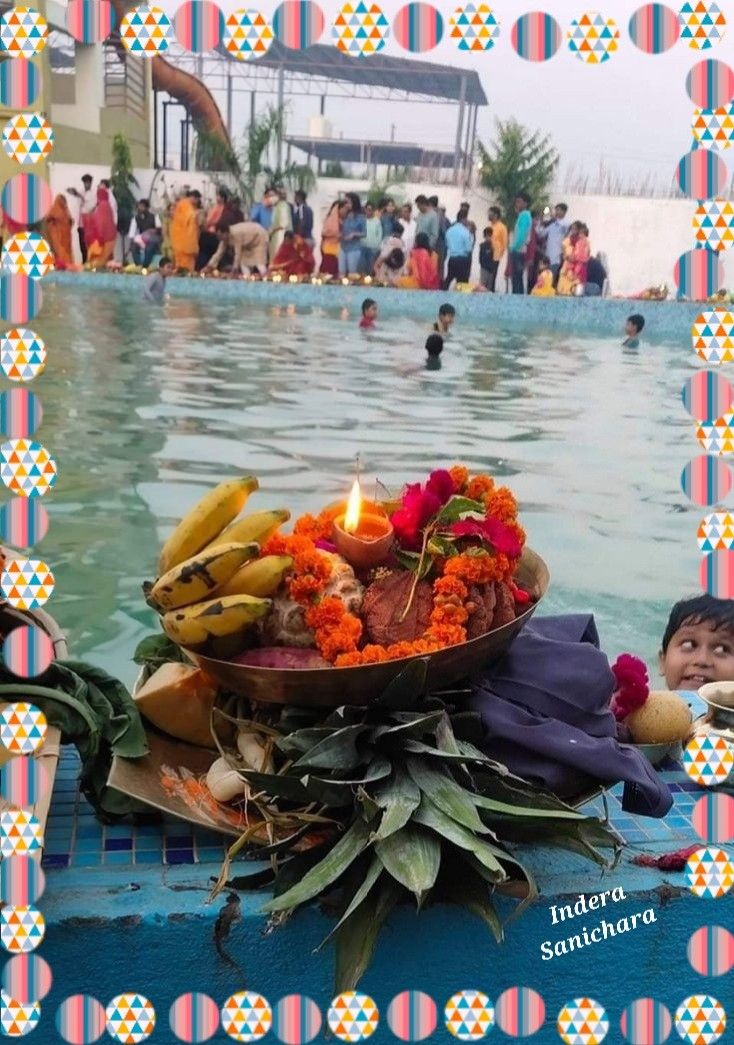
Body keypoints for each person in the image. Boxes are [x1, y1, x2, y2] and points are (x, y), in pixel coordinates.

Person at [659, 594, 734, 691]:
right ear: (663, 661)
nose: (702, 660)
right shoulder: (640, 705)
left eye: (722, 649)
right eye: (688, 644)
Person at [85, 185, 117, 269]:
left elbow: (101, 222)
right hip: (111, 236)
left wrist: (90, 217)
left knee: (100, 259)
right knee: (108, 257)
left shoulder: (102, 205)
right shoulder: (107, 205)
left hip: (104, 237)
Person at [557, 222, 590, 297]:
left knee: (574, 292)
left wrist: (575, 258)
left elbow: (584, 256)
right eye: (572, 229)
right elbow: (563, 248)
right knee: (562, 292)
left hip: (576, 270)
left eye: (575, 229)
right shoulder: (568, 240)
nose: (573, 231)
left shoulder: (582, 242)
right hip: (566, 268)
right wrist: (566, 255)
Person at [67, 173, 94, 263]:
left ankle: (89, 262)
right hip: (81, 223)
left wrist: (79, 195)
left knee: (88, 244)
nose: (86, 184)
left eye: (88, 183)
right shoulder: (81, 192)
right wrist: (74, 193)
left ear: (91, 183)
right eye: (85, 183)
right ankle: (84, 262)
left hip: (88, 223)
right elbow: (79, 200)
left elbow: (90, 206)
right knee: (82, 245)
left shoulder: (93, 194)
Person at [443, 211, 474, 290]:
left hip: (452, 259)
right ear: (463, 219)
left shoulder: (449, 231)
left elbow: (446, 244)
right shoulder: (465, 231)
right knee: (463, 283)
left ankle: (442, 294)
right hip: (463, 260)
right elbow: (469, 248)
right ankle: (462, 300)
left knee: (449, 278)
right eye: (466, 219)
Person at [170, 191, 200, 272]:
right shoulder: (186, 205)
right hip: (185, 241)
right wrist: (196, 214)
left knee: (180, 264)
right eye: (197, 200)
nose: (197, 203)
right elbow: (189, 217)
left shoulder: (182, 204)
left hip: (179, 239)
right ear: (193, 197)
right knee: (186, 266)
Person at [509, 192, 532, 295]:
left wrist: (513, 247)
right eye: (516, 201)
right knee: (516, 278)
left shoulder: (525, 216)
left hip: (518, 251)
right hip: (518, 250)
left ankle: (517, 301)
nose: (517, 204)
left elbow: (521, 236)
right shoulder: (522, 215)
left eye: (519, 202)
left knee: (517, 279)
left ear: (525, 204)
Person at [128, 198, 162, 268]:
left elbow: (159, 230)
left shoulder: (154, 217)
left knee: (150, 247)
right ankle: (139, 266)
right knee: (134, 246)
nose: (141, 208)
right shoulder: (136, 218)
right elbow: (131, 234)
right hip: (141, 240)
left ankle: (145, 267)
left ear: (147, 208)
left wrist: (153, 231)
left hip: (153, 239)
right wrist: (135, 241)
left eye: (143, 207)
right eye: (139, 206)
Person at [339, 193, 366, 277]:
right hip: (343, 247)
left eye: (348, 202)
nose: (346, 204)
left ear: (354, 203)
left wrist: (354, 234)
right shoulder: (344, 215)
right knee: (341, 272)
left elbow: (364, 233)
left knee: (352, 273)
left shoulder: (360, 217)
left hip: (354, 248)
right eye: (345, 202)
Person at [45, 194, 74, 268]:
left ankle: (68, 269)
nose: (63, 202)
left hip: (66, 238)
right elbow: (47, 219)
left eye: (64, 201)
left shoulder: (66, 210)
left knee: (67, 255)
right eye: (62, 200)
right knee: (60, 254)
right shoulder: (54, 209)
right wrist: (53, 225)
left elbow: (71, 221)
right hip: (58, 237)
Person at [545, 203, 570, 288]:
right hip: (547, 256)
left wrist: (553, 219)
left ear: (564, 212)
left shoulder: (566, 224)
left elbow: (565, 230)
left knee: (552, 279)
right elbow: (541, 233)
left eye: (558, 210)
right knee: (545, 279)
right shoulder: (552, 224)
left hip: (557, 256)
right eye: (556, 210)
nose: (556, 212)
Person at [320, 199, 345, 277]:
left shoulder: (344, 220)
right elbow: (323, 233)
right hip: (329, 247)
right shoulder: (329, 220)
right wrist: (335, 235)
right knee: (329, 268)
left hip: (341, 247)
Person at [269, 185, 293, 260]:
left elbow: (284, 224)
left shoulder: (283, 206)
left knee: (279, 257)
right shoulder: (276, 206)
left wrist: (272, 230)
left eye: (272, 195)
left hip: (281, 235)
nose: (270, 198)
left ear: (278, 195)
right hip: (275, 235)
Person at [362, 202, 383, 276]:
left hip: (373, 248)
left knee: (371, 268)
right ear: (365, 209)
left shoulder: (377, 221)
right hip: (362, 247)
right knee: (362, 268)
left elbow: (379, 235)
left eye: (371, 210)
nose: (369, 211)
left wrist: (377, 246)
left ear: (374, 210)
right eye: (368, 209)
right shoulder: (362, 220)